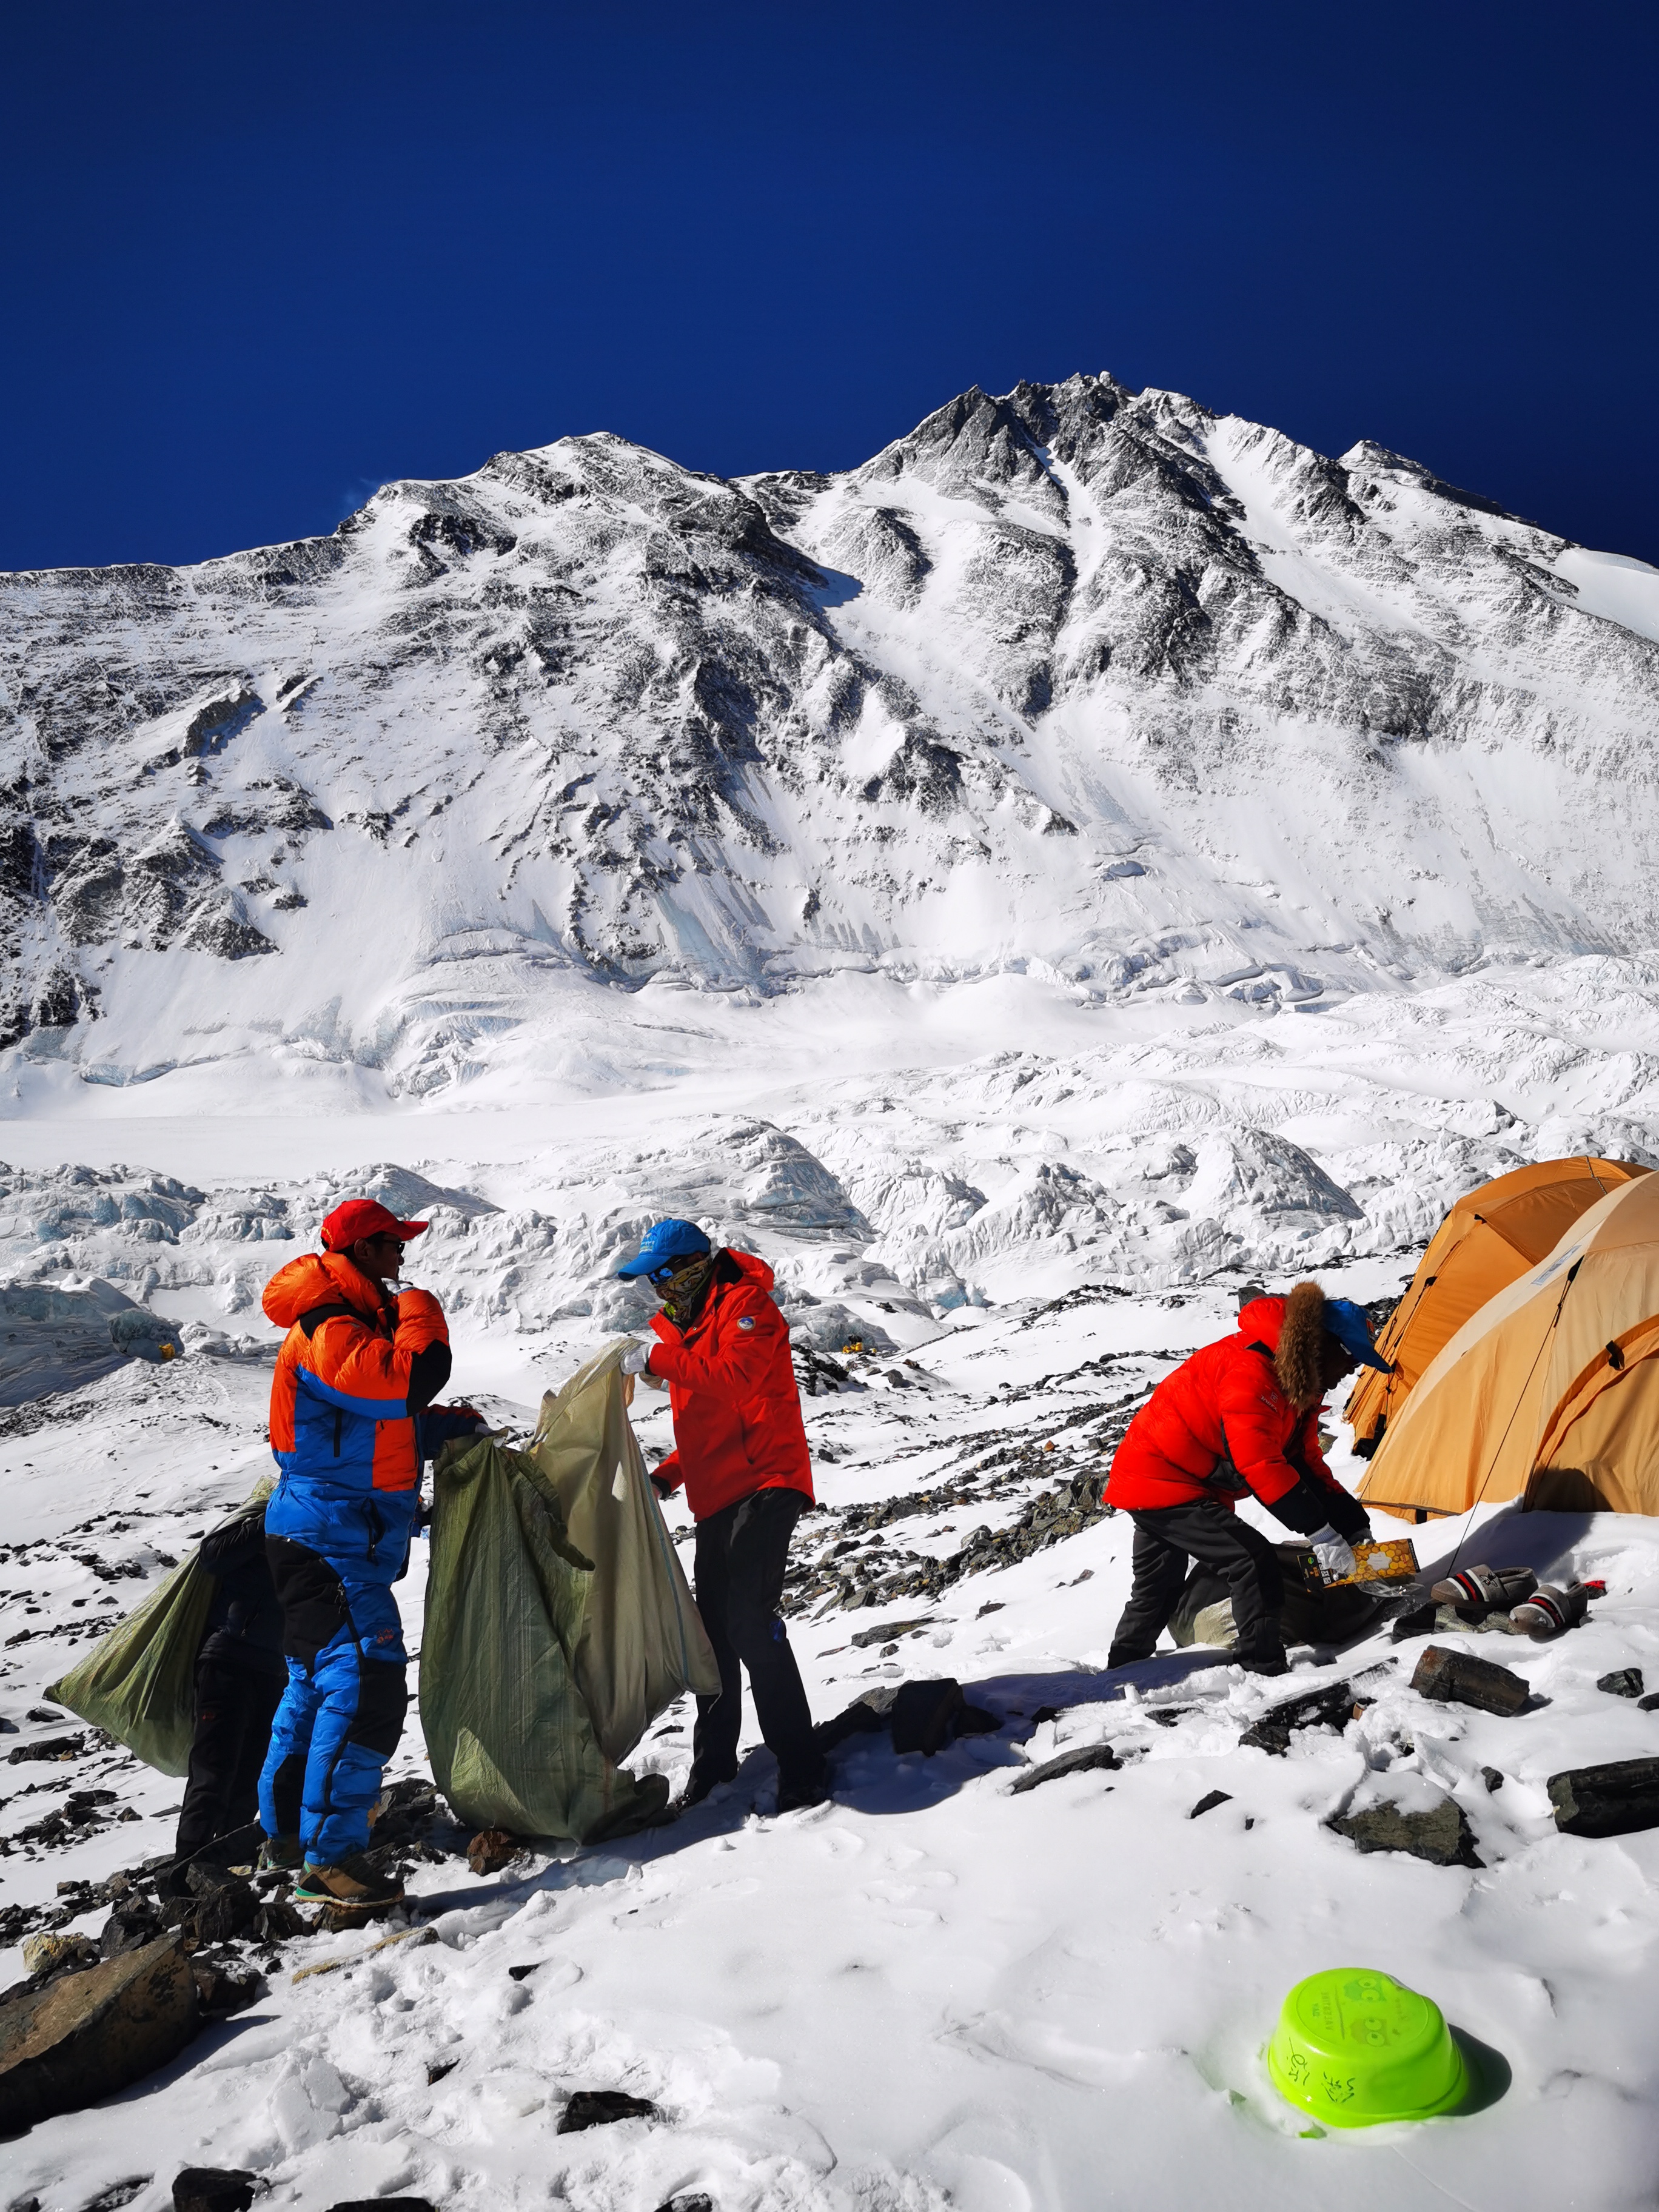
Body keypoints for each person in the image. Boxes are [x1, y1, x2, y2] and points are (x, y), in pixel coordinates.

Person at [256, 1198, 482, 1909]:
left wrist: (438, 1431)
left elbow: (373, 1423)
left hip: (324, 1535)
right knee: (367, 1685)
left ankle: (289, 1838)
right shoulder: (328, 1327)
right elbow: (407, 1381)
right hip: (329, 1541)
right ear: (361, 1251)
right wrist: (422, 1311)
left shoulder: (345, 1327)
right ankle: (332, 1859)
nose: (402, 1260)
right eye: (393, 1247)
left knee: (314, 1689)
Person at [617, 1218, 826, 1814]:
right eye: (648, 1281)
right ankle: (712, 1767)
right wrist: (667, 1475)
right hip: (715, 1498)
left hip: (767, 1481)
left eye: (659, 1276)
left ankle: (802, 1767)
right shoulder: (682, 1328)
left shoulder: (746, 1306)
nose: (655, 1290)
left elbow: (737, 1382)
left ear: (690, 1265)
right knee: (711, 1637)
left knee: (748, 1621)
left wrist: (658, 1359)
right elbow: (711, 1424)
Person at [1104, 1281, 1389, 1676]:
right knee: (1252, 1562)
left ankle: (1122, 1670)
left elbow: (1304, 1462)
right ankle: (1261, 1667)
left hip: (1166, 1477)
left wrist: (1353, 1527)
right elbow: (1260, 1464)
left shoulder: (1295, 1381)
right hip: (1163, 1478)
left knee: (1160, 1585)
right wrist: (1321, 1534)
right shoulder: (1254, 1371)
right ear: (1326, 1346)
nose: (1351, 1372)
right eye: (1351, 1358)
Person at [172, 1497, 286, 1869]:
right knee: (214, 1772)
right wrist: (273, 1513)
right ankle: (187, 1869)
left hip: (274, 1670)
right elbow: (212, 1555)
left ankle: (225, 1864)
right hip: (227, 1659)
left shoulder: (315, 1523)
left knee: (252, 1774)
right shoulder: (265, 1512)